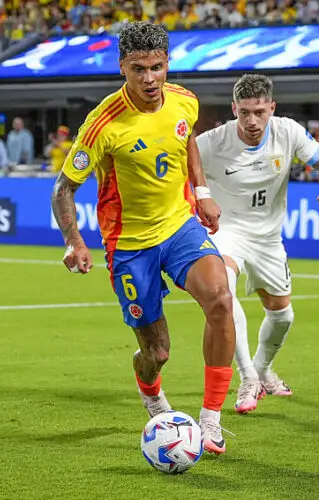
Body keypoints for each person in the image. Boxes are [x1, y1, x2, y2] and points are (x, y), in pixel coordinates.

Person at [51, 22, 235, 455]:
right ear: (122, 68)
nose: (150, 79)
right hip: (130, 245)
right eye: (139, 70)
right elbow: (63, 189)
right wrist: (75, 242)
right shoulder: (102, 125)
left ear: (167, 63)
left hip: (179, 226)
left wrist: (203, 193)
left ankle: (210, 420)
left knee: (222, 299)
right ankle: (152, 393)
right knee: (158, 352)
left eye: (157, 67)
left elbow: (185, 140)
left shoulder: (184, 101)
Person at [195, 74, 319, 414]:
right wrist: (198, 195)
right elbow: (179, 166)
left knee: (282, 315)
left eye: (259, 112)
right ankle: (247, 376)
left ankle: (262, 369)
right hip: (226, 230)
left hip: (268, 237)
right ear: (234, 109)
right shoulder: (212, 142)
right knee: (224, 293)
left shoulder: (287, 132)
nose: (251, 120)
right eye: (244, 112)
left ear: (272, 108)